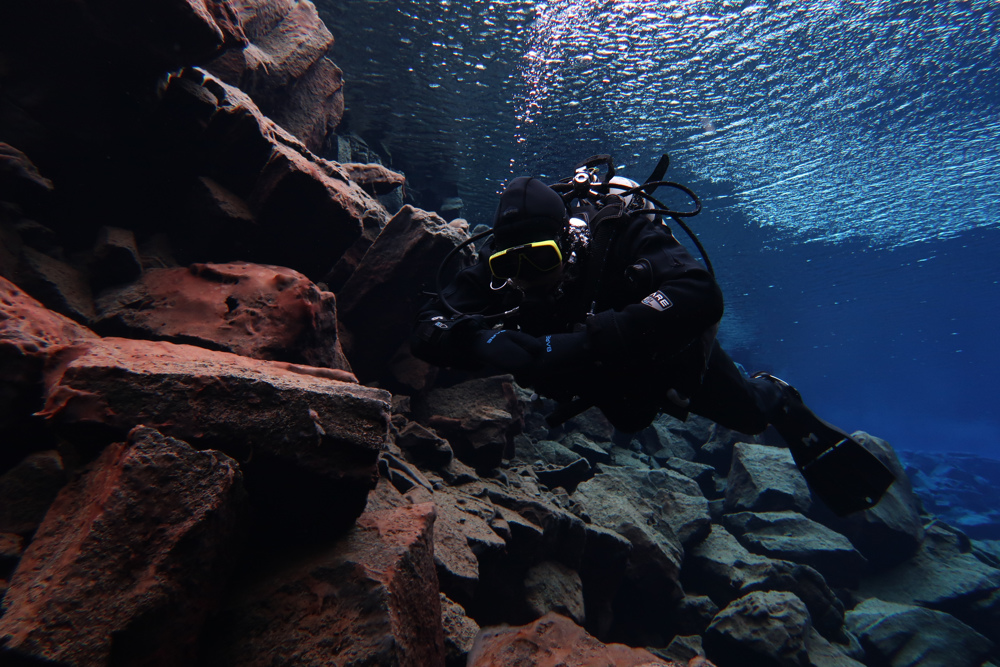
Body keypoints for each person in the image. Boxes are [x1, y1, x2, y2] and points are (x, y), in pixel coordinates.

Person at [411, 162, 894, 515]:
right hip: (593, 374)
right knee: (628, 416)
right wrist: (478, 342)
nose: (526, 277)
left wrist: (585, 341)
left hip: (654, 352)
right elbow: (428, 325)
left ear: (567, 242)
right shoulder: (497, 259)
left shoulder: (620, 235)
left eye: (540, 259)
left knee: (747, 416)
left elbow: (699, 293)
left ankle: (777, 397)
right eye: (509, 265)